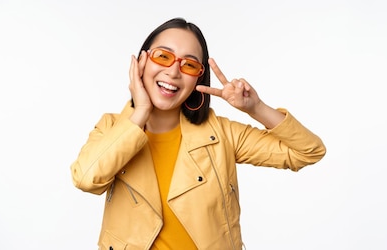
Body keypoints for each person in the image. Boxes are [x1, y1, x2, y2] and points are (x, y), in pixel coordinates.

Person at [70, 17, 326, 250]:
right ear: (141, 61)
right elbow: (86, 178)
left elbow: (308, 151)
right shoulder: (111, 128)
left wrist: (255, 107)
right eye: (163, 56)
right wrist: (140, 112)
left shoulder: (221, 134)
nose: (173, 71)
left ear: (198, 79)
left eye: (189, 64)